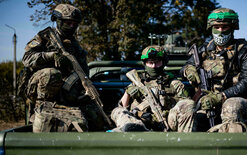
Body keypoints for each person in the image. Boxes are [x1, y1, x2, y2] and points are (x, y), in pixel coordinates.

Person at [21, 4, 104, 132]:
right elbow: (26, 59)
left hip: (66, 91)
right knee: (51, 73)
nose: (71, 27)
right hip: (42, 89)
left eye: (74, 24)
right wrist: (51, 56)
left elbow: (83, 72)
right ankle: (44, 109)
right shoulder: (45, 37)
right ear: (58, 21)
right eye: (68, 23)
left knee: (96, 115)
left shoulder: (76, 47)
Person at [180, 8, 247, 132]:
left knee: (231, 106)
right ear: (211, 28)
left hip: (240, 102)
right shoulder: (204, 50)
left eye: (225, 27)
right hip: (207, 102)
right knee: (186, 109)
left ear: (232, 28)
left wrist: (221, 96)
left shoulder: (245, 50)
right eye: (217, 27)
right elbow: (184, 67)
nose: (220, 31)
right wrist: (189, 70)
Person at [111, 45, 196, 132]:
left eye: (157, 62)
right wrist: (128, 92)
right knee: (117, 111)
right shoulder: (136, 83)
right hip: (140, 123)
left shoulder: (174, 83)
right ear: (145, 63)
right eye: (150, 62)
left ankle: (184, 141)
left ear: (163, 62)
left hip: (167, 122)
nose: (154, 66)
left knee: (188, 103)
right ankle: (136, 129)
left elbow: (187, 106)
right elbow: (122, 107)